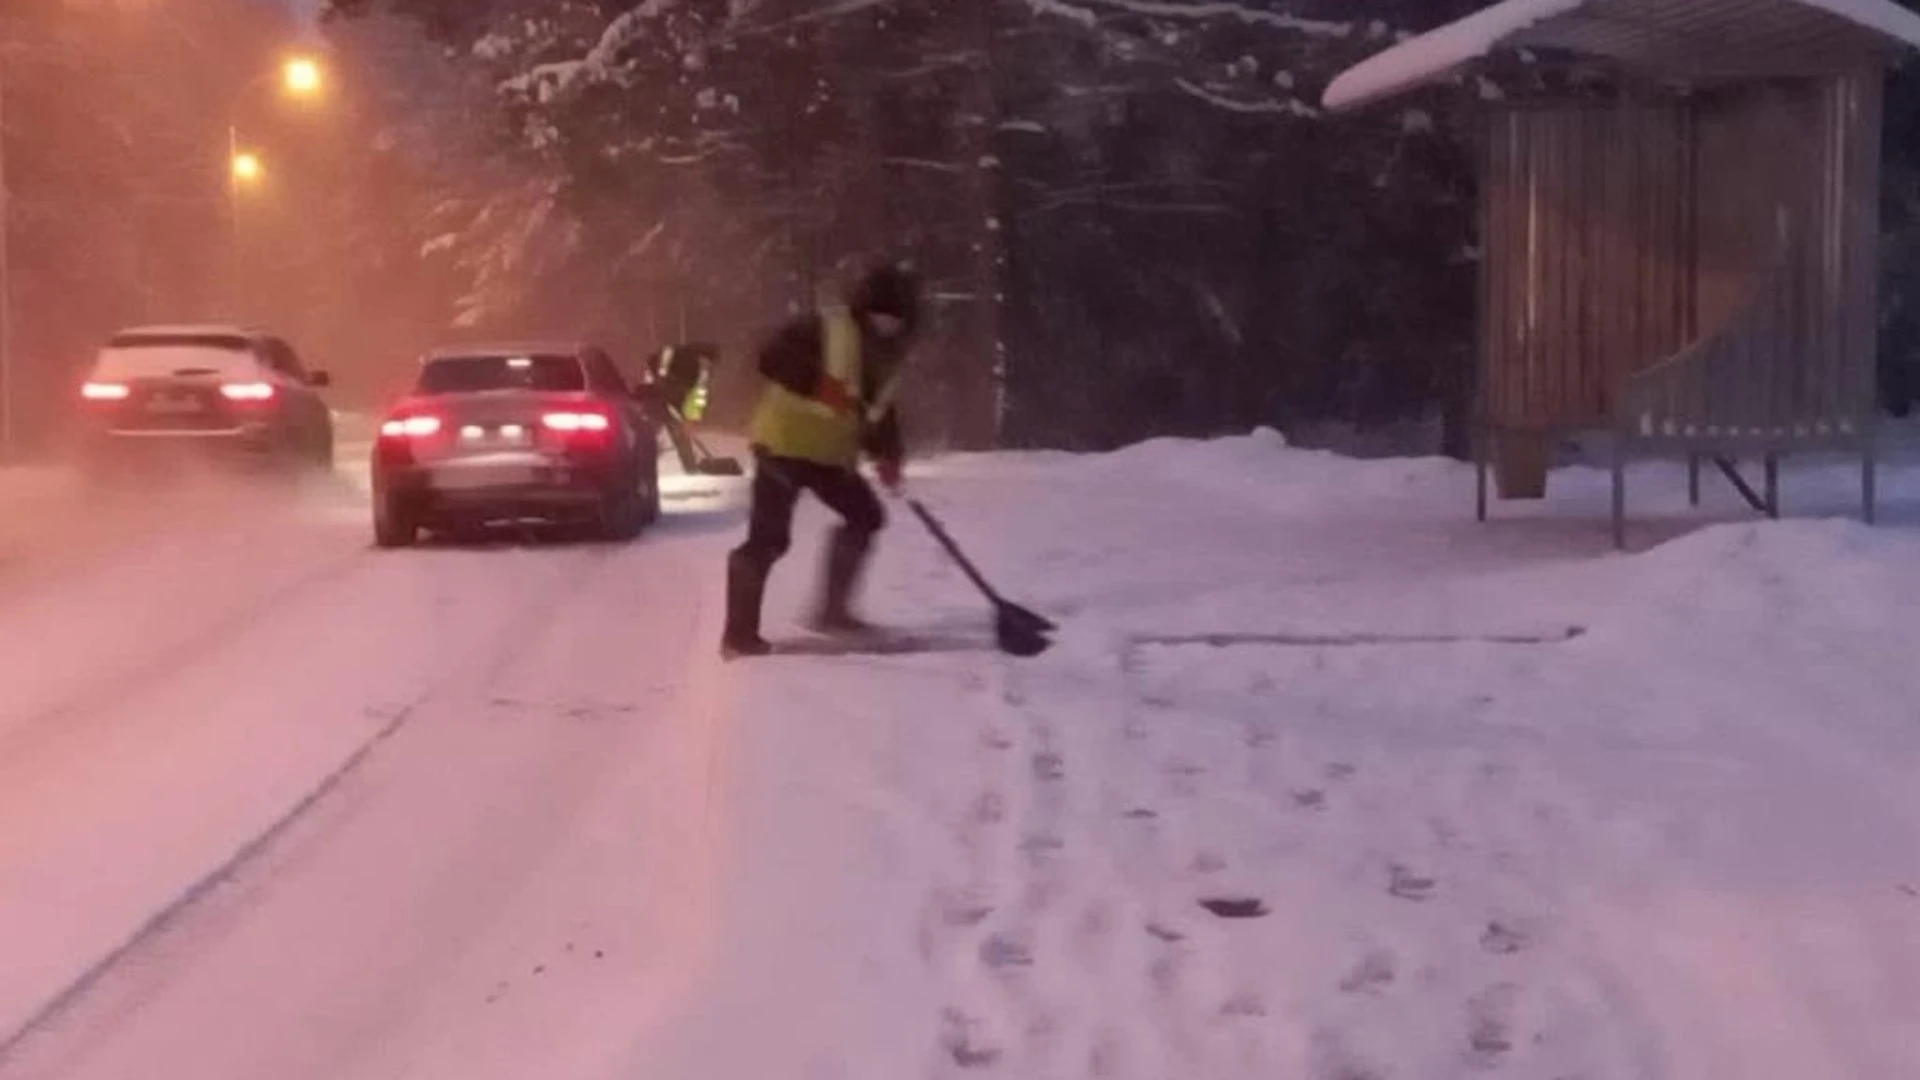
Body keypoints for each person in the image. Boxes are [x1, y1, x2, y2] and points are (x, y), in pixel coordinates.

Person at [722, 263, 921, 658]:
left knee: (866, 517)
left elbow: (878, 410)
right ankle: (739, 636)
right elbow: (770, 357)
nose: (887, 325)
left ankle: (833, 613)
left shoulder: (887, 355)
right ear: (865, 309)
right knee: (769, 540)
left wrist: (889, 454)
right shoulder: (824, 329)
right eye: (882, 315)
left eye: (895, 319)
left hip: (831, 457)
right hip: (784, 447)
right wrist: (818, 386)